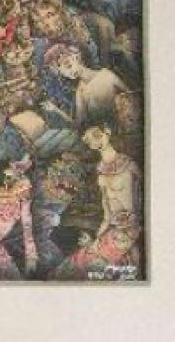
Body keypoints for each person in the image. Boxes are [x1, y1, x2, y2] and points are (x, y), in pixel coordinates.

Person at [58, 125, 141, 278]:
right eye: (89, 140)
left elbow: (138, 210)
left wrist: (126, 238)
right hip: (112, 234)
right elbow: (107, 216)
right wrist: (95, 240)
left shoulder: (130, 166)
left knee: (91, 267)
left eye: (97, 134)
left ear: (107, 131)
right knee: (74, 263)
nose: (95, 141)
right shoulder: (101, 172)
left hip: (128, 233)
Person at [42, 43, 128, 127]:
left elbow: (131, 95)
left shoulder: (107, 74)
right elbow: (78, 124)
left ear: (76, 57)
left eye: (68, 65)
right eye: (64, 73)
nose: (69, 72)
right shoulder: (80, 92)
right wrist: (56, 110)